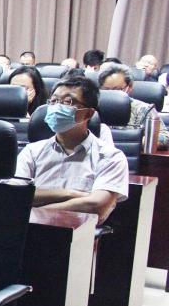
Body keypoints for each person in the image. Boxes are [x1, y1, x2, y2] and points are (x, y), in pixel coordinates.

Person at [15, 77, 128, 223]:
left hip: (81, 233)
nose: (57, 107)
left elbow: (96, 205)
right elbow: (14, 195)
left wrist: (34, 211)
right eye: (54, 101)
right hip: (31, 230)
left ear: (88, 113)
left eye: (68, 102)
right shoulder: (32, 151)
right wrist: (70, 194)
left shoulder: (110, 156)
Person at [99, 63, 169, 149]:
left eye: (117, 89)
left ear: (130, 87)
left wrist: (135, 142)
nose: (112, 94)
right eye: (106, 90)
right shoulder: (93, 107)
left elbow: (165, 138)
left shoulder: (143, 109)